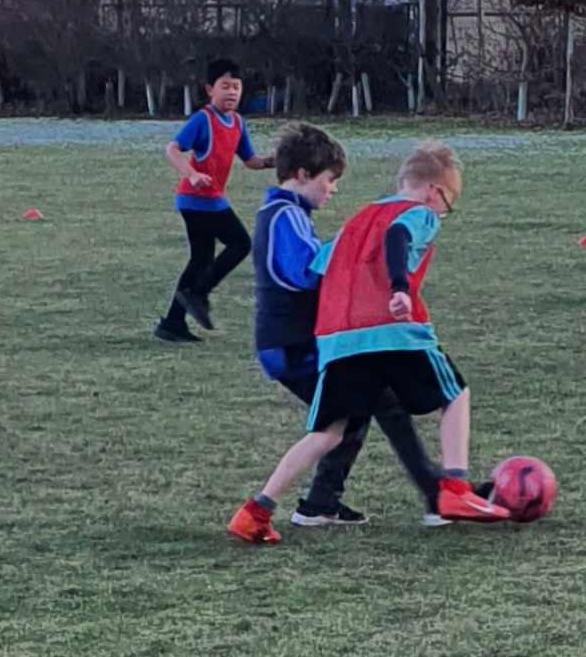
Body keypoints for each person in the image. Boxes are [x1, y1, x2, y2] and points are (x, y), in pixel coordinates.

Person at [229, 140, 509, 542]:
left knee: (328, 431)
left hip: (338, 341)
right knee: (456, 394)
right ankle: (454, 489)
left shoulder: (357, 220)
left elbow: (323, 266)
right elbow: (397, 235)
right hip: (392, 330)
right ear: (433, 191)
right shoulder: (418, 213)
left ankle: (256, 510)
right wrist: (397, 286)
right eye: (447, 203)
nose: (443, 211)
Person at [251, 122, 442, 529]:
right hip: (291, 345)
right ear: (303, 175)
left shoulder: (287, 213)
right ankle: (433, 494)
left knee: (358, 412)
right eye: (329, 180)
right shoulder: (283, 215)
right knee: (367, 407)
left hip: (297, 342)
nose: (332, 189)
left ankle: (320, 503)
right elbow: (300, 273)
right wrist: (352, 240)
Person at [153, 58, 274, 344]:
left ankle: (172, 323)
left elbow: (251, 161)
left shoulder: (237, 123)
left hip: (212, 200)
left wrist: (274, 161)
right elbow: (172, 149)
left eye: (236, 87)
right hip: (194, 199)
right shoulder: (202, 119)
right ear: (210, 89)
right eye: (225, 86)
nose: (231, 92)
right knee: (241, 243)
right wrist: (191, 173)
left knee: (201, 259)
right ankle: (198, 293)